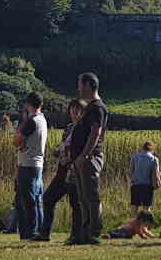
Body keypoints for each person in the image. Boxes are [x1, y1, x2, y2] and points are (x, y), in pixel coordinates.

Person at [67, 72, 108, 245]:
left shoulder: (97, 107)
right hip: (81, 159)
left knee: (91, 197)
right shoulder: (90, 108)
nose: (78, 88)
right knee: (83, 198)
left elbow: (96, 132)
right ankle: (83, 234)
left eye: (80, 84)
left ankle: (94, 232)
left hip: (88, 158)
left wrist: (84, 155)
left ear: (89, 85)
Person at [37, 99, 85, 242]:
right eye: (73, 109)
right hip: (62, 170)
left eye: (78, 110)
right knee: (48, 199)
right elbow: (64, 145)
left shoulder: (84, 129)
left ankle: (76, 235)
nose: (75, 112)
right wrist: (58, 151)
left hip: (75, 171)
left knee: (76, 204)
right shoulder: (69, 128)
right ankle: (45, 233)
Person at [13, 91, 48, 240]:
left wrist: (18, 130)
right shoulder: (43, 120)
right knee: (36, 199)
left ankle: (30, 232)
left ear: (28, 104)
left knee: (26, 200)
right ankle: (38, 229)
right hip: (38, 163)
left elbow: (16, 141)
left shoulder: (31, 121)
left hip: (27, 164)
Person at [129, 141, 161, 214]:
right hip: (148, 187)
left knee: (134, 209)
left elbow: (130, 173)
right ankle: (146, 224)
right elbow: (156, 174)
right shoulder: (154, 159)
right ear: (152, 149)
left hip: (135, 186)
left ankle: (133, 224)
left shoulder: (135, 157)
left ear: (143, 148)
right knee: (147, 209)